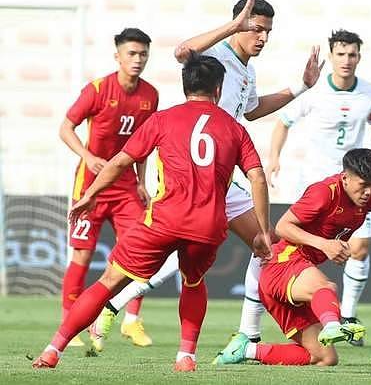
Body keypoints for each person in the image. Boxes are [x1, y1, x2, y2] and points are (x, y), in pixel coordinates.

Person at [90, 0, 324, 348]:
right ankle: (113, 306)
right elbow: (183, 51)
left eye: (267, 32)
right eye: (256, 29)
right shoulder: (216, 56)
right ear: (240, 25)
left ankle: (248, 333)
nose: (261, 37)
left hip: (222, 177)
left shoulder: (247, 69)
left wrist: (302, 87)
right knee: (223, 250)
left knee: (266, 245)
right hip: (193, 173)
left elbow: (254, 109)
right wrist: (233, 26)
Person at [32, 52, 272, 372]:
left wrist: (90, 195)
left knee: (109, 280)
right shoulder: (233, 128)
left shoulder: (162, 119)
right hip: (208, 224)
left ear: (185, 86)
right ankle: (185, 356)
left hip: (164, 219)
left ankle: (53, 350)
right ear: (218, 89)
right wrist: (264, 230)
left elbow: (120, 161)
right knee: (193, 281)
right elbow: (257, 176)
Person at [214, 148, 371, 366]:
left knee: (324, 357)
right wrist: (324, 244)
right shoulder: (324, 192)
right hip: (283, 264)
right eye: (364, 184)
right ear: (346, 177)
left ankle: (245, 351)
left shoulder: (366, 198)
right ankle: (333, 325)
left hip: (294, 278)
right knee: (326, 288)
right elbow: (282, 227)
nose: (369, 191)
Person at [266, 29, 371, 345]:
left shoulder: (369, 93)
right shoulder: (314, 92)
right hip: (318, 185)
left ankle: (347, 316)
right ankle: (267, 312)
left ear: (359, 57)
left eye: (352, 54)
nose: (346, 60)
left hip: (356, 185)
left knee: (360, 247)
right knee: (292, 244)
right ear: (331, 57)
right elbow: (283, 123)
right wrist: (274, 158)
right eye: (340, 54)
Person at [59, 28, 158, 348]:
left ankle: (132, 321)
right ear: (117, 56)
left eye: (143, 54)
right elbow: (65, 127)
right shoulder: (98, 89)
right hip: (91, 186)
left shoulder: (150, 95)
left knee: (139, 253)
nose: (138, 59)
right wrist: (87, 156)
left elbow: (144, 144)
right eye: (132, 53)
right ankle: (69, 321)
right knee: (83, 256)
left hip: (127, 185)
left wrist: (143, 182)